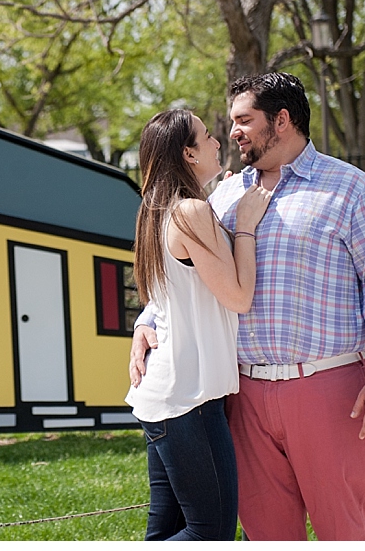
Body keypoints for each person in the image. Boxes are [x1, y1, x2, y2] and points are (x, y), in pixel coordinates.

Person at [129, 73, 365, 541]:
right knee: (266, 535)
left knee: (345, 531)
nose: (233, 131)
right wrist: (147, 321)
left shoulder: (350, 189)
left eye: (244, 120)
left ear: (281, 121)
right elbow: (187, 270)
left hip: (328, 390)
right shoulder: (224, 193)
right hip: (242, 397)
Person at [124, 108, 273, 541]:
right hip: (190, 399)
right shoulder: (190, 212)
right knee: (211, 534)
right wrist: (244, 226)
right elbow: (238, 297)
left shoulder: (157, 210)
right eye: (206, 136)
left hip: (166, 396)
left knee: (167, 530)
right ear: (188, 153)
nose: (217, 141)